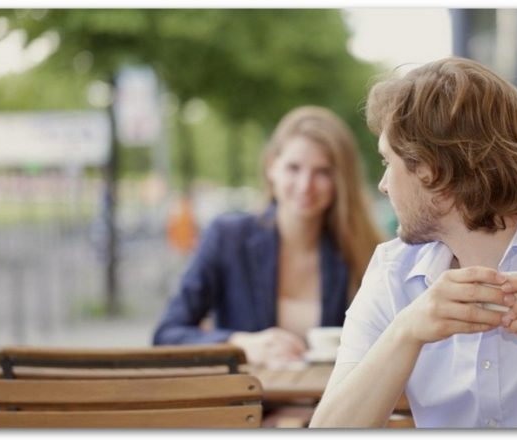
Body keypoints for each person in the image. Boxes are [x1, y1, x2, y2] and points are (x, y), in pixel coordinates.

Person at [310, 57, 517, 428]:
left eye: (388, 162)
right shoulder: (391, 272)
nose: (384, 185)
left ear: (431, 169)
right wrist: (406, 332)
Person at [153, 106, 384, 367]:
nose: (305, 185)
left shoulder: (362, 251)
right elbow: (167, 334)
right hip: (250, 393)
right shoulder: (228, 238)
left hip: (331, 393)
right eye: (293, 168)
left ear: (341, 180)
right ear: (272, 167)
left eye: (323, 172)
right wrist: (239, 344)